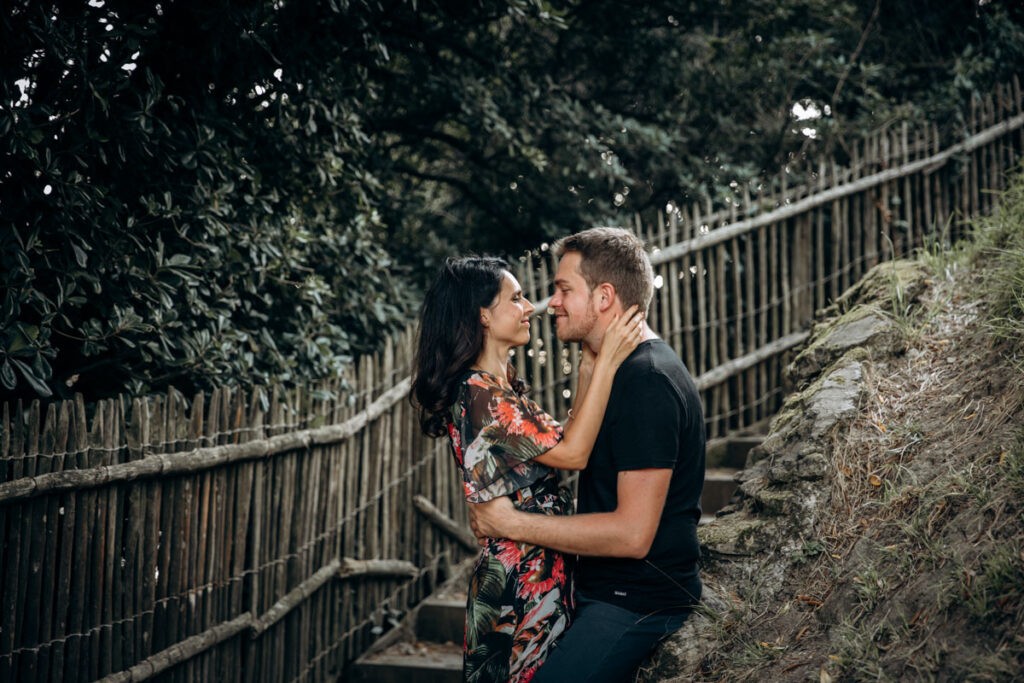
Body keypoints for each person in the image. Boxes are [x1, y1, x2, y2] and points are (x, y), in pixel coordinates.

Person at [468, 228, 706, 683]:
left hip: (635, 601)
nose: (550, 302)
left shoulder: (647, 382)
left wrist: (511, 523)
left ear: (604, 297)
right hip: (601, 592)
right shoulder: (620, 373)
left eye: (563, 289)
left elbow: (632, 534)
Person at [411, 255, 644, 682]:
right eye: (515, 298)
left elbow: (563, 442)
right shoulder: (480, 394)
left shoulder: (498, 388)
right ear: (483, 315)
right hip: (518, 582)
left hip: (537, 566)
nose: (530, 307)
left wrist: (590, 367)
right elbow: (574, 455)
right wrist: (608, 361)